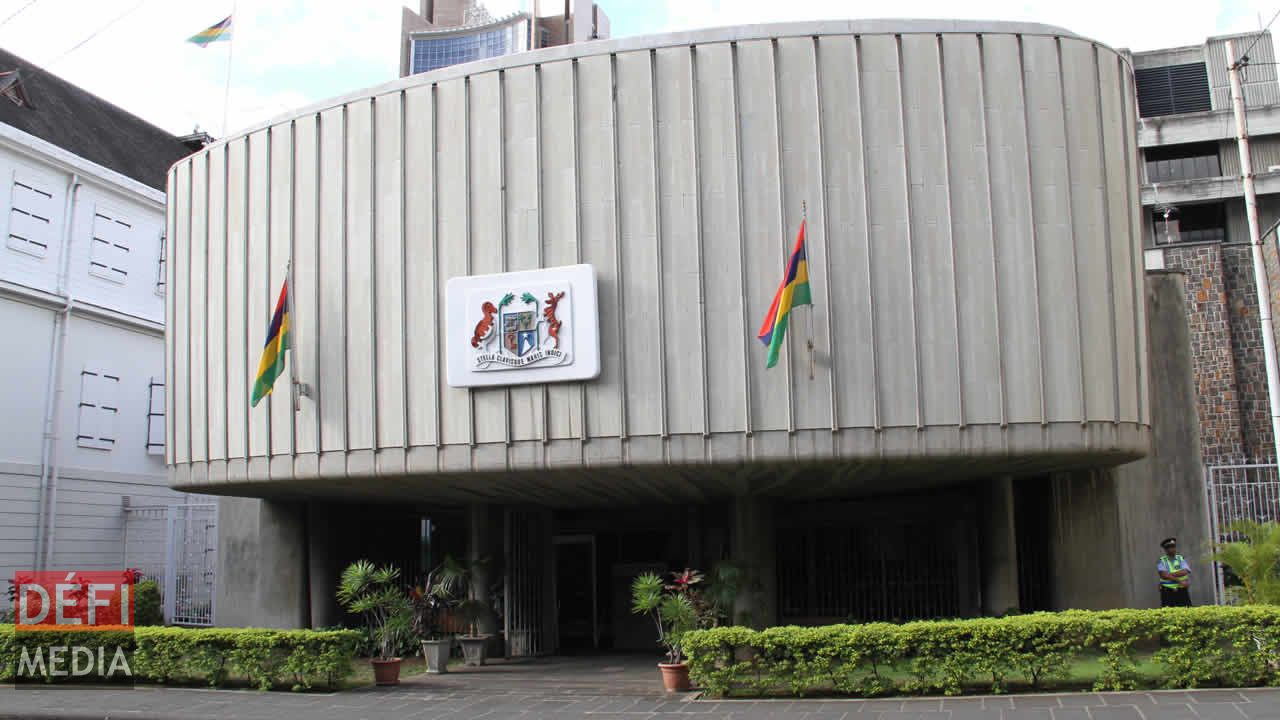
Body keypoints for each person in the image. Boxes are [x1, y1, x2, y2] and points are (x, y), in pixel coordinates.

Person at [1157, 537, 1192, 607]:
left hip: (1182, 590)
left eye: (1173, 547)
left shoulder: (1181, 558)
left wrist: (1169, 574)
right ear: (1165, 549)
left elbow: (1185, 571)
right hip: (1167, 591)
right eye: (1169, 547)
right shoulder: (1161, 560)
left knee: (1186, 610)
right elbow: (1163, 575)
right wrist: (1179, 581)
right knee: (1168, 613)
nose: (1172, 549)